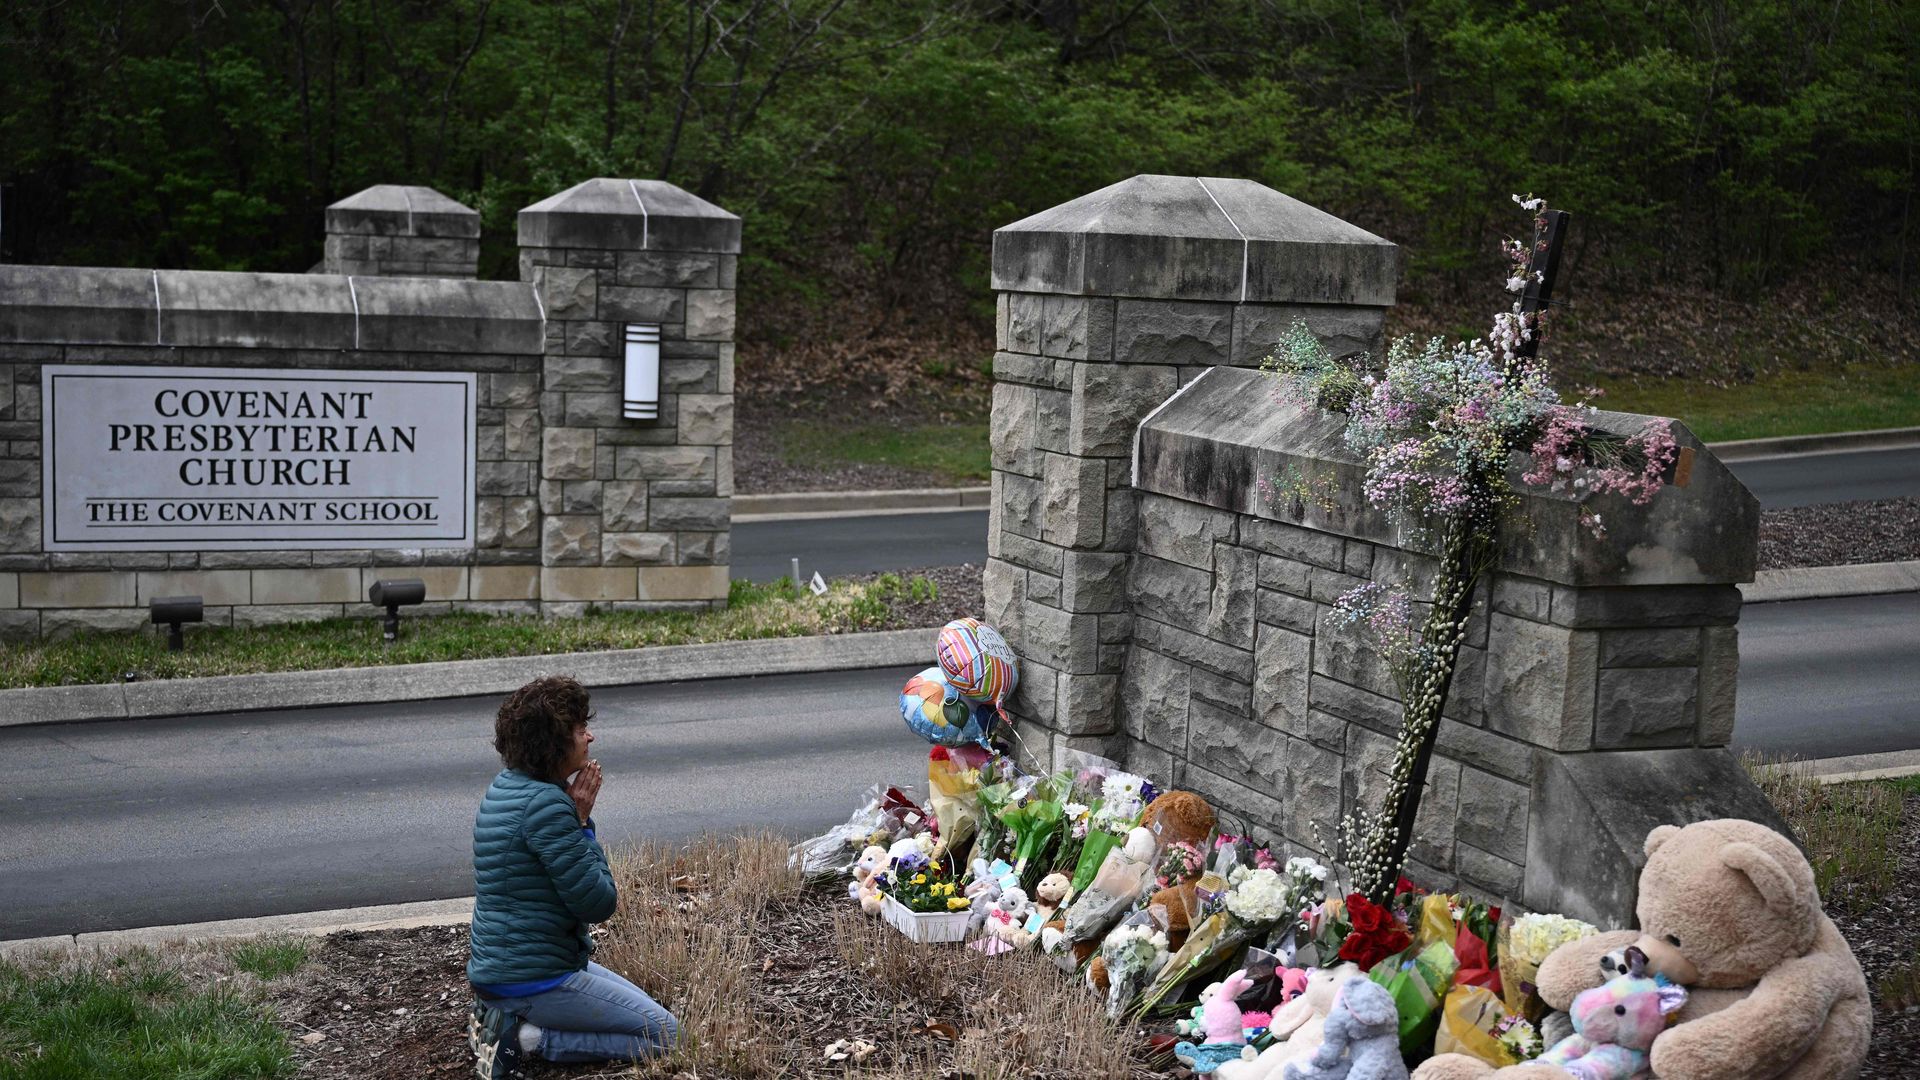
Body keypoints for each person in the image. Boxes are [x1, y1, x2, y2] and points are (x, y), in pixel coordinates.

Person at [465, 675, 678, 1079]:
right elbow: (598, 903)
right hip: (533, 978)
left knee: (656, 1014)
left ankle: (497, 1013)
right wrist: (581, 821)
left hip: (510, 967)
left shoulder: (509, 786)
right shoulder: (547, 804)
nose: (590, 737)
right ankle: (530, 1038)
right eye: (580, 729)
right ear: (554, 743)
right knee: (671, 1036)